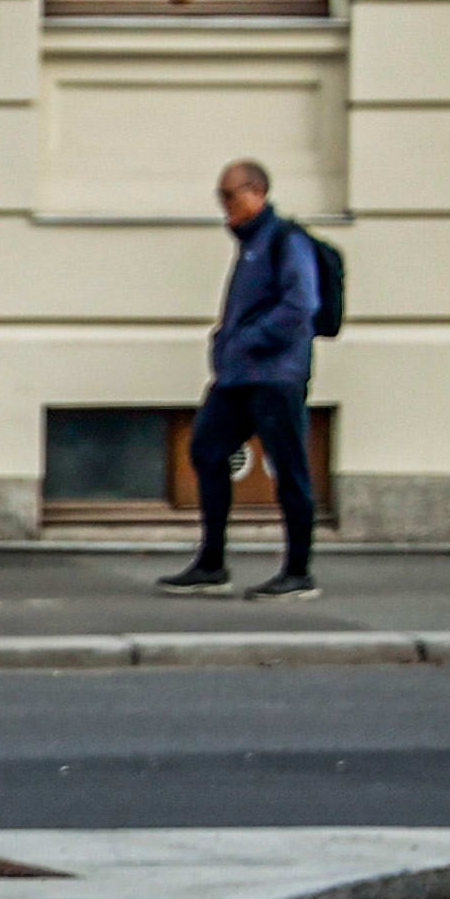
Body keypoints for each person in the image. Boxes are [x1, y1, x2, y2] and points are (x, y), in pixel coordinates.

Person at [160, 159, 322, 601]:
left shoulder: (286, 240)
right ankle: (211, 565)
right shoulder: (252, 242)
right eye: (221, 196)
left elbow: (301, 306)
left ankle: (298, 573)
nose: (224, 205)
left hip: (276, 376)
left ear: (257, 192)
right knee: (207, 449)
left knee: (289, 469)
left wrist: (248, 340)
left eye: (230, 195)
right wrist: (224, 345)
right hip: (238, 376)